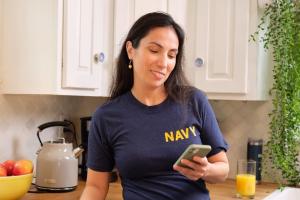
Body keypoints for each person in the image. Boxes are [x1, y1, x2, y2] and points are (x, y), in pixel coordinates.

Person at [80, 12, 229, 200]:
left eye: (171, 55)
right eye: (154, 50)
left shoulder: (194, 101)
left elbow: (223, 169)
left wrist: (205, 170)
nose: (163, 63)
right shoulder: (107, 117)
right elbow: (95, 187)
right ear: (130, 50)